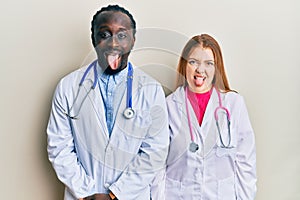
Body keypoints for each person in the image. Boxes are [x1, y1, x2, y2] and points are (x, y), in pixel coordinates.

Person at [47, 5, 169, 200]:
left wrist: (116, 194)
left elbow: (155, 151)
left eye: (122, 35)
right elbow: (59, 147)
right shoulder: (68, 86)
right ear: (94, 39)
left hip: (131, 195)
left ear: (133, 40)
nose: (113, 43)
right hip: (83, 195)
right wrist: (87, 193)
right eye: (104, 34)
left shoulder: (151, 89)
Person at [165, 34, 257, 199]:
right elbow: (158, 167)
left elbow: (246, 163)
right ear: (185, 65)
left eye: (209, 63)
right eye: (193, 62)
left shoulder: (233, 104)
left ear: (216, 69)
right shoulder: (169, 106)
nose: (200, 70)